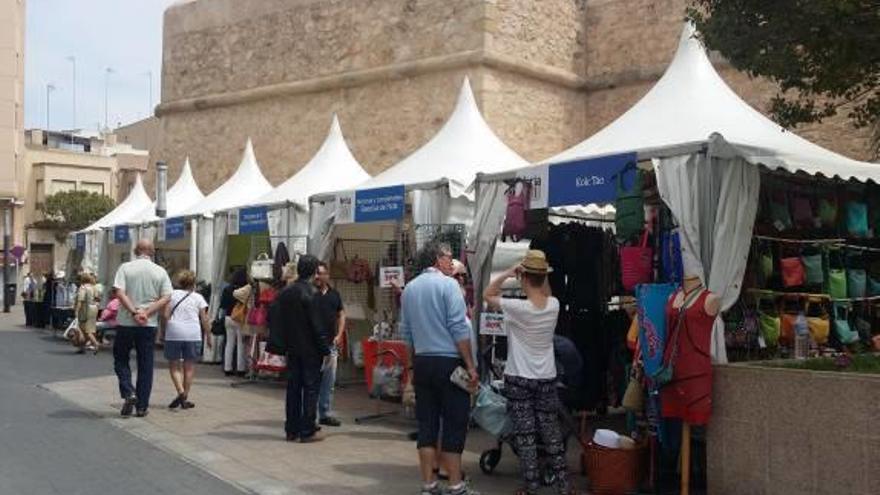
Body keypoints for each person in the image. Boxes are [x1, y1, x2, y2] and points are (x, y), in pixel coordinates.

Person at [484, 250, 571, 495]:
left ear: (523, 277)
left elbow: (487, 294)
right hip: (546, 377)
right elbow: (547, 293)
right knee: (551, 432)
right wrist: (543, 273)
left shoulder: (517, 308)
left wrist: (509, 273)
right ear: (542, 277)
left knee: (526, 437)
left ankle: (531, 487)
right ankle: (564, 485)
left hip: (519, 379)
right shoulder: (553, 306)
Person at [400, 242, 478, 495]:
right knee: (455, 424)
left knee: (427, 426)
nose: (451, 262)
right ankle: (455, 485)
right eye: (448, 257)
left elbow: (407, 334)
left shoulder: (409, 289)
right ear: (437, 259)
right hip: (449, 362)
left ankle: (428, 485)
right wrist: (470, 365)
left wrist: (411, 369)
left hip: (423, 362)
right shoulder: (449, 285)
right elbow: (459, 328)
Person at [112, 239, 173, 418]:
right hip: (148, 324)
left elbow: (119, 292)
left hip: (126, 321)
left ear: (135, 251)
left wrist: (134, 312)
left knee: (121, 359)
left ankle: (128, 391)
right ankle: (142, 406)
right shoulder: (160, 271)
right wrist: (146, 312)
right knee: (145, 365)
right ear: (152, 252)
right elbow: (167, 296)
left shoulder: (125, 268)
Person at [273, 254, 329, 443]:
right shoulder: (312, 294)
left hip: (292, 348)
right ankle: (307, 429)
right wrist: (325, 349)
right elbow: (317, 326)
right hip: (311, 349)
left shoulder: (286, 293)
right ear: (315, 272)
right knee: (311, 389)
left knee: (293, 388)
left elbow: (274, 317)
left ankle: (291, 429)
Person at [163, 270, 212, 410]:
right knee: (189, 367)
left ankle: (180, 392)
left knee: (174, 365)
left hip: (174, 332)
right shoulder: (199, 298)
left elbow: (166, 315)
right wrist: (208, 336)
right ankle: (185, 398)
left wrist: (167, 330)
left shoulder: (171, 295)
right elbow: (204, 319)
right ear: (193, 283)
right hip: (193, 333)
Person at [314, 261, 346, 427]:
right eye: (316, 273)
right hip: (312, 346)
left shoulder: (334, 295)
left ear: (327, 275)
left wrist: (339, 334)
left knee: (329, 382)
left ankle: (325, 413)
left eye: (321, 273)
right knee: (313, 381)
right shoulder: (310, 293)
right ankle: (310, 415)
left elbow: (341, 314)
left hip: (330, 345)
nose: (318, 277)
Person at [220, 268, 249, 376]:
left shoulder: (227, 289)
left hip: (228, 317)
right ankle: (241, 369)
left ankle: (228, 368)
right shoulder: (245, 290)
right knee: (241, 344)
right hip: (240, 318)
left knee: (229, 343)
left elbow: (222, 305)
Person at [73, 272, 101, 354]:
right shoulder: (94, 288)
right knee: (89, 328)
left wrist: (76, 311)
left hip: (85, 310)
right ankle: (82, 348)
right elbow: (98, 299)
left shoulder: (83, 288)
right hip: (94, 309)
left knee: (85, 329)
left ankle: (96, 344)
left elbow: (80, 301)